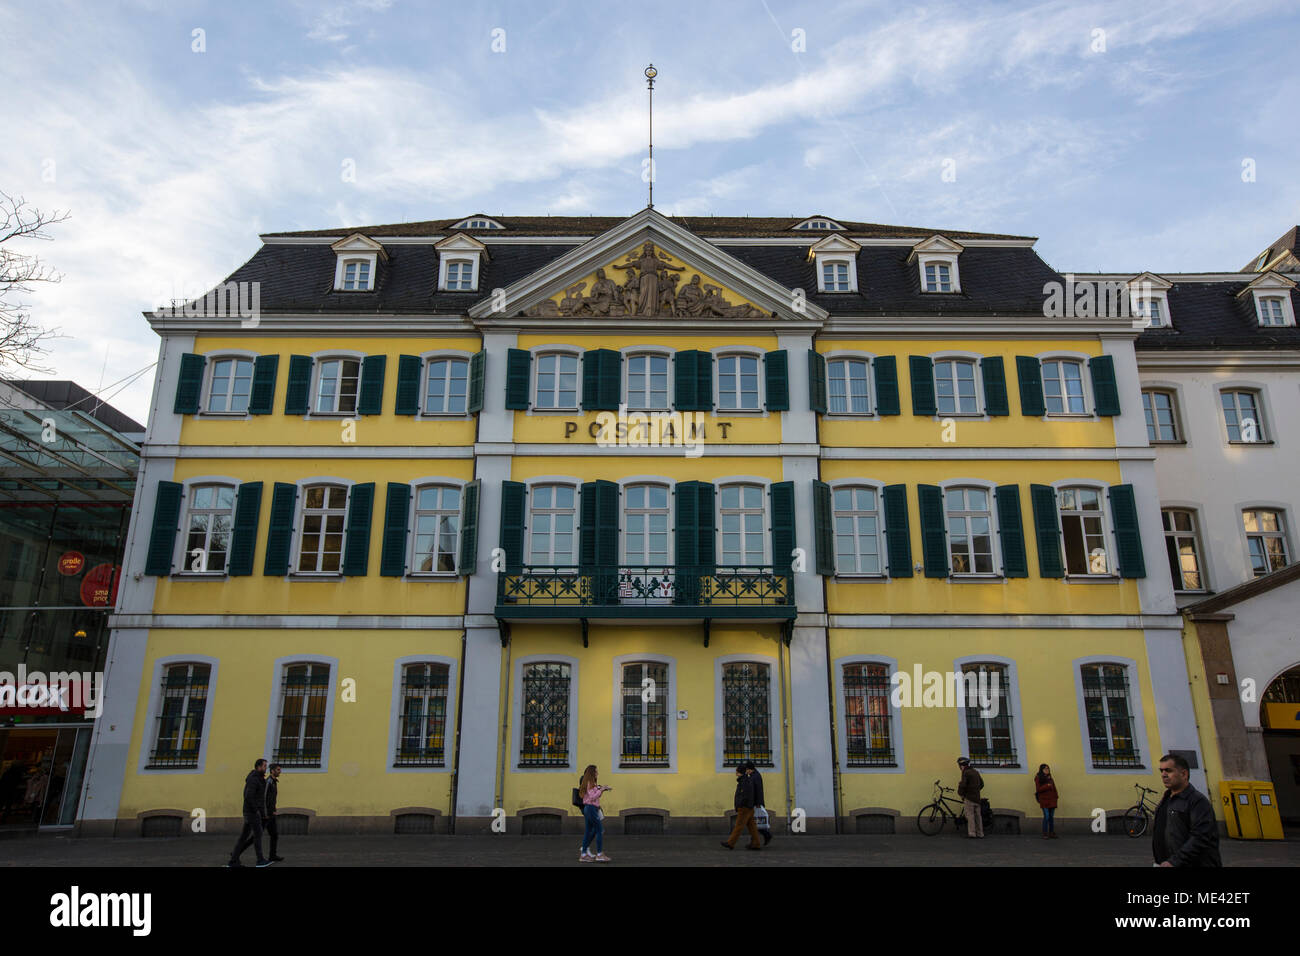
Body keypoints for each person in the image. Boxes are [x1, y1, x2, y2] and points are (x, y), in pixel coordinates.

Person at [1152, 753, 1221, 867]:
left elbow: (1200, 838)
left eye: (1168, 771)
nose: (1163, 775)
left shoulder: (1197, 801)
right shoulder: (1166, 799)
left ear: (1184, 774)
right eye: (1161, 771)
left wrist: (1175, 861)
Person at [227, 758, 272, 867]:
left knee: (244, 837)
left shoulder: (259, 778)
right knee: (258, 835)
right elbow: (248, 796)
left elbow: (259, 798)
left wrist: (261, 812)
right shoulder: (254, 779)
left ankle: (233, 861)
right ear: (259, 767)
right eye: (265, 766)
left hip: (251, 812)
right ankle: (260, 860)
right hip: (251, 813)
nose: (266, 768)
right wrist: (256, 810)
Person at [721, 764, 761, 850]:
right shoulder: (746, 780)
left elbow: (744, 795)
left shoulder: (744, 781)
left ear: (740, 772)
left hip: (744, 807)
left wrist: (740, 805)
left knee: (739, 826)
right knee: (752, 827)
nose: (736, 773)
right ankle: (756, 843)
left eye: (737, 771)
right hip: (748, 806)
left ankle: (730, 843)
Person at [578, 764, 612, 863]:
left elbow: (593, 794)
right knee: (600, 830)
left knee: (588, 831)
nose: (598, 773)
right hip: (591, 808)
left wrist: (602, 789)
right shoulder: (589, 782)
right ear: (592, 773)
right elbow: (592, 797)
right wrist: (601, 790)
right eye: (596, 771)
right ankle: (599, 854)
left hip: (589, 808)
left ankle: (584, 854)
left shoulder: (590, 783)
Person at [744, 759, 772, 845]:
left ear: (750, 769)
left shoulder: (755, 777)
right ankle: (756, 840)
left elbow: (758, 790)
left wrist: (758, 803)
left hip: (756, 803)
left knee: (754, 823)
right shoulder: (754, 775)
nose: (746, 771)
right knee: (754, 823)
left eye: (746, 769)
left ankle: (765, 835)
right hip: (755, 803)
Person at [956, 756, 984, 839]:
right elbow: (982, 784)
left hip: (969, 797)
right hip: (977, 797)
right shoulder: (975, 771)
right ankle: (980, 833)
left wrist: (960, 793)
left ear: (962, 765)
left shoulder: (965, 772)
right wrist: (976, 790)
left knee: (970, 816)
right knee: (978, 816)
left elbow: (963, 785)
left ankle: (972, 833)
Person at [264, 763, 284, 863]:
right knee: (255, 836)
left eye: (280, 770)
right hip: (266, 814)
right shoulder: (268, 782)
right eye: (278, 770)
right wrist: (265, 813)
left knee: (274, 834)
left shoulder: (274, 782)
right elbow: (264, 798)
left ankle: (272, 855)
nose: (280, 772)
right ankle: (236, 852)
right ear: (272, 771)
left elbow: (271, 799)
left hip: (271, 813)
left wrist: (274, 809)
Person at [1034, 763, 1059, 839]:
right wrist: (1047, 786)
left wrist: (1056, 796)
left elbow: (1054, 788)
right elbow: (1038, 789)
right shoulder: (1038, 778)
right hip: (1044, 800)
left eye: (1048, 768)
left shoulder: (1050, 778)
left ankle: (1051, 833)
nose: (1047, 770)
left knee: (1051, 817)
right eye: (1045, 769)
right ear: (1041, 770)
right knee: (1047, 816)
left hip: (1052, 800)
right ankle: (1045, 833)